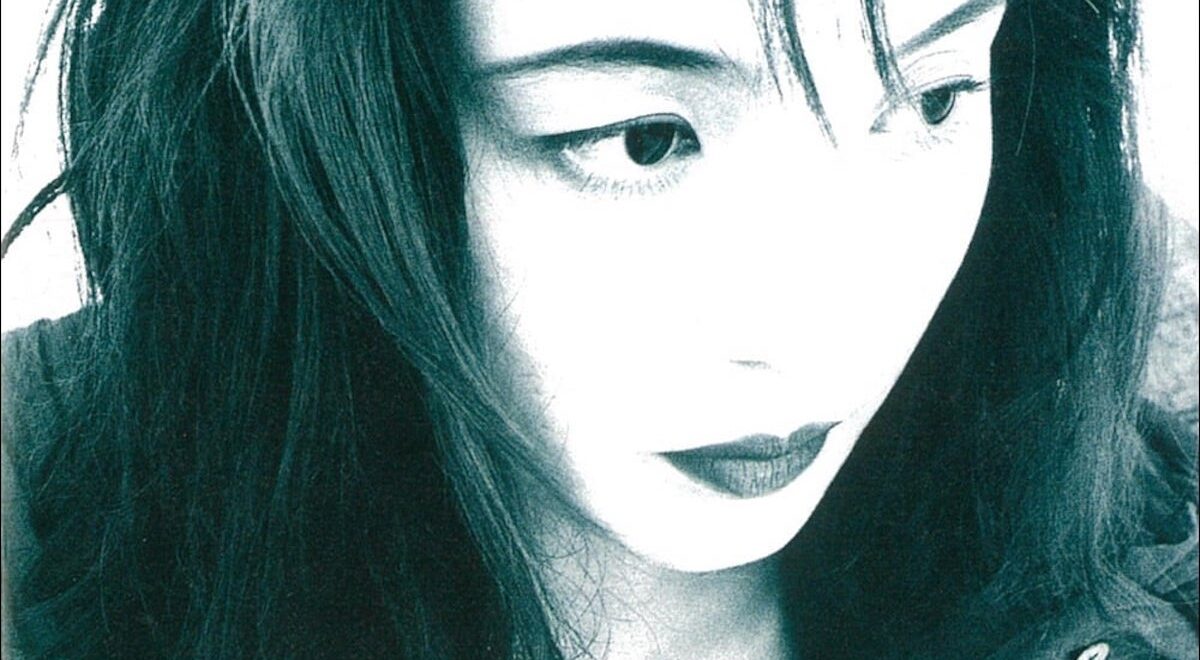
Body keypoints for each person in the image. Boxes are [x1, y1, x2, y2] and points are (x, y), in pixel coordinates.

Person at [2, 0, 1196, 657]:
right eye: (643, 138)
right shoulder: (46, 521)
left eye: (933, 96)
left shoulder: (1139, 511)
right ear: (330, 121)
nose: (826, 339)